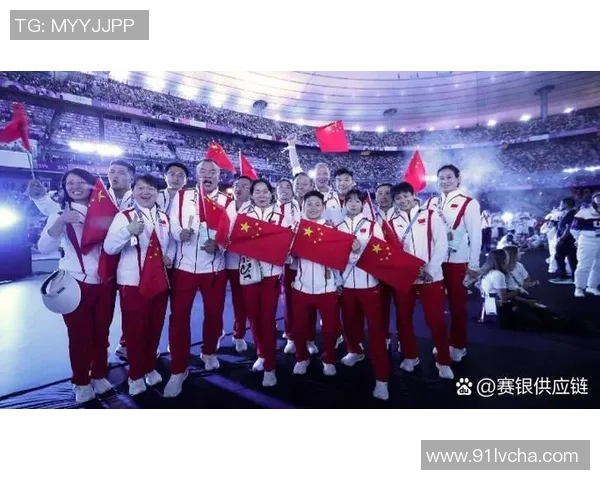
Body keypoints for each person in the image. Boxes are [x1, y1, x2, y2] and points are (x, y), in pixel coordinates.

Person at [38, 168, 114, 404]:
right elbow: (44, 248)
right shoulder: (59, 213)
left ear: (92, 185)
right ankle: (81, 381)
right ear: (64, 188)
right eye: (70, 183)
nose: (75, 186)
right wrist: (61, 221)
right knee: (79, 336)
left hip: (105, 282)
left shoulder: (105, 211)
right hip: (75, 284)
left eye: (81, 182)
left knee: (101, 332)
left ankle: (99, 374)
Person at [164, 159, 232, 398]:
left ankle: (209, 351)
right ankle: (178, 368)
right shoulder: (182, 196)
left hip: (214, 269)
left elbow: (232, 233)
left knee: (214, 314)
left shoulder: (227, 201)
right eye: (203, 171)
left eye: (213, 172)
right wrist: (178, 233)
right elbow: (172, 223)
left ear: (219, 176)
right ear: (197, 174)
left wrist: (220, 245)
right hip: (184, 268)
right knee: (179, 317)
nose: (208, 175)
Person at [104, 175, 171, 396]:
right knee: (135, 331)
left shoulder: (164, 217)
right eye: (140, 188)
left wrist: (168, 257)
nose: (145, 192)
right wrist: (127, 231)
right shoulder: (124, 216)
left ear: (157, 193)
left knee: (155, 327)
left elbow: (169, 246)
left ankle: (150, 366)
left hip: (159, 281)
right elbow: (109, 248)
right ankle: (135, 374)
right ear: (133, 192)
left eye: (150, 188)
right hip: (132, 283)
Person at [389, 182, 454, 380]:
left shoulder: (431, 215)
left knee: (435, 319)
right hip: (405, 278)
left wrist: (430, 269)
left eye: (405, 196)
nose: (403, 200)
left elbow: (441, 244)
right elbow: (391, 253)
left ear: (413, 195)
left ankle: (443, 360)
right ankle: (411, 356)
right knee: (404, 319)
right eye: (398, 198)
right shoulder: (392, 222)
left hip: (431, 276)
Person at [237, 178, 293, 387]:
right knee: (253, 316)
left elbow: (289, 243)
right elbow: (237, 240)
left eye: (265, 191)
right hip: (249, 272)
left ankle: (270, 367)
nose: (261, 195)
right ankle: (261, 353)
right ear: (252, 195)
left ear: (271, 194)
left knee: (267, 317)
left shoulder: (281, 216)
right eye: (257, 192)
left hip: (272, 273)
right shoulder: (244, 215)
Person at [336, 188, 391, 400]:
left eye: (357, 201)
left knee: (376, 330)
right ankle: (354, 351)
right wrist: (338, 278)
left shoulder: (372, 225)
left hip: (370, 285)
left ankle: (382, 379)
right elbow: (335, 257)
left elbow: (381, 253)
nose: (352, 204)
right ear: (344, 204)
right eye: (349, 201)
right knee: (349, 323)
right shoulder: (339, 227)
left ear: (363, 204)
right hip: (347, 285)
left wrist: (357, 252)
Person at [426, 164, 482, 362]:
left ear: (458, 179)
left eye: (449, 177)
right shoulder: (432, 202)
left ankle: (458, 345)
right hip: (436, 261)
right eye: (441, 178)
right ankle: (442, 343)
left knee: (457, 307)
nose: (445, 181)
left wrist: (473, 265)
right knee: (435, 307)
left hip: (457, 261)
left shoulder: (469, 203)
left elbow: (476, 236)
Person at [292, 190, 343, 377]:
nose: (313, 208)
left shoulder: (332, 229)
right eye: (309, 204)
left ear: (323, 208)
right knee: (299, 327)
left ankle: (328, 359)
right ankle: (301, 358)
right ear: (303, 206)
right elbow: (289, 258)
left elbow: (340, 257)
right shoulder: (296, 228)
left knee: (329, 328)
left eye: (317, 204)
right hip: (301, 286)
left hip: (327, 287)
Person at [225, 176, 253, 352]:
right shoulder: (224, 206)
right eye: (237, 185)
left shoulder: (256, 209)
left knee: (249, 301)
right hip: (227, 261)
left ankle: (245, 333)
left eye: (245, 186)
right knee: (237, 301)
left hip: (249, 262)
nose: (240, 188)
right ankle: (238, 334)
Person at [571, 192, 600, 297]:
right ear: (593, 199)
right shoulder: (584, 212)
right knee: (584, 265)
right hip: (588, 241)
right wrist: (577, 239)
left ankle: (592, 286)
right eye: (598, 197)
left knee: (598, 266)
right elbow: (574, 229)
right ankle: (579, 287)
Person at [549, 197, 578, 285]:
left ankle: (564, 276)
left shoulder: (572, 213)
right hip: (567, 238)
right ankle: (572, 276)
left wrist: (562, 238)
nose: (560, 205)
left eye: (561, 203)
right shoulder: (569, 212)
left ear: (566, 204)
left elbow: (568, 228)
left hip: (567, 239)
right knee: (570, 257)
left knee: (561, 256)